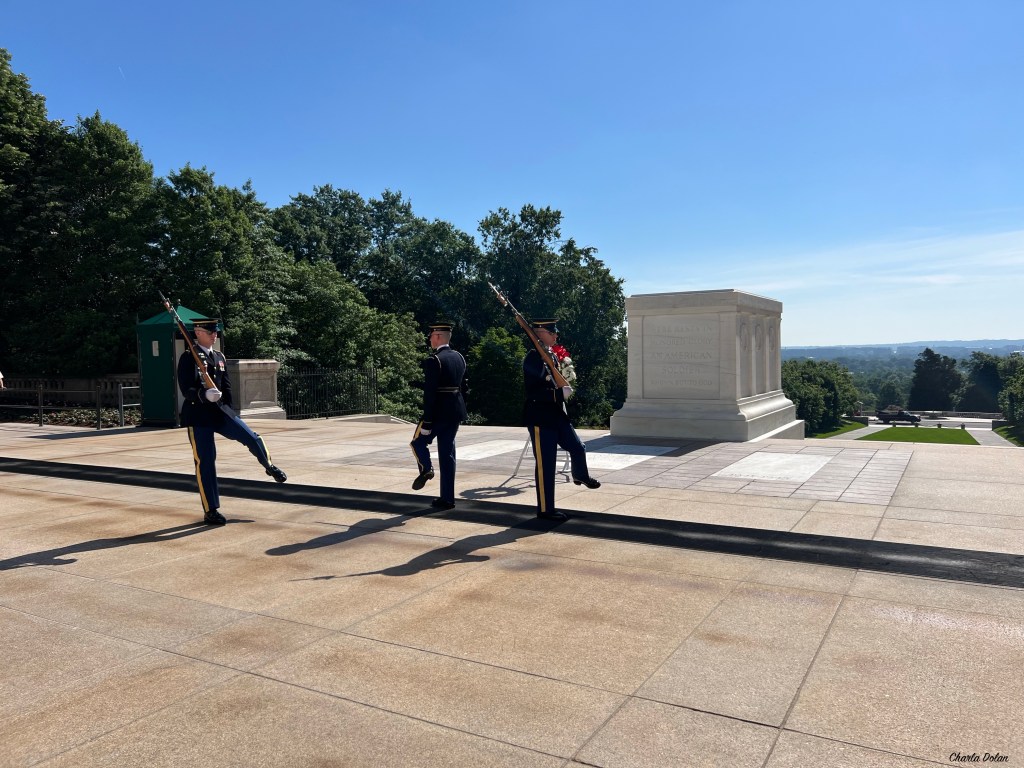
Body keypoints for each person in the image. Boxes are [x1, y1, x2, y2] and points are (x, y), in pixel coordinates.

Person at [176, 317, 287, 525]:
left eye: (215, 332)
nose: (214, 335)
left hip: (221, 412)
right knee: (205, 462)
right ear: (198, 333)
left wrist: (230, 411)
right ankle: (211, 510)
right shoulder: (189, 357)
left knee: (251, 437)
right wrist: (203, 395)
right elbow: (186, 388)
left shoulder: (219, 357)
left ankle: (269, 465)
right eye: (210, 332)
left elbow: (226, 387)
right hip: (199, 416)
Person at [523, 319, 600, 521]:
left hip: (556, 414)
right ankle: (546, 510)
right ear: (540, 333)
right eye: (552, 333)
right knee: (546, 465)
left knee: (577, 447)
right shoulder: (533, 358)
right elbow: (533, 392)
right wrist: (558, 394)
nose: (556, 336)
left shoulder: (550, 355)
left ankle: (580, 474)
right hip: (540, 416)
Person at [410, 322, 468, 510]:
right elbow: (462, 386)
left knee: (417, 442)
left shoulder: (434, 360)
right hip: (455, 411)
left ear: (438, 337)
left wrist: (427, 421)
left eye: (431, 336)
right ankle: (447, 499)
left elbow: (430, 394)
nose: (429, 339)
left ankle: (426, 468)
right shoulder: (459, 357)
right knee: (447, 453)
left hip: (438, 412)